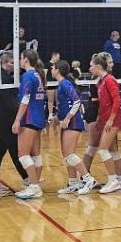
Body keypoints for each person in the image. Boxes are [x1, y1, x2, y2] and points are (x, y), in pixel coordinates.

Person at [51, 60, 98, 194]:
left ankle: (89, 179)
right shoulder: (62, 84)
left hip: (73, 123)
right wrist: (56, 117)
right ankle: (73, 183)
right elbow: (65, 105)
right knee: (66, 156)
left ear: (58, 70)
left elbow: (77, 101)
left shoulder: (65, 84)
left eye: (53, 67)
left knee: (70, 155)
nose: (51, 69)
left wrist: (66, 118)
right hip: (67, 122)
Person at [0, 52, 28, 196]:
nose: (14, 65)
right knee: (14, 148)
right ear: (4, 63)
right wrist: (19, 116)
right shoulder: (1, 78)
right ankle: (26, 178)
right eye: (12, 62)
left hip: (3, 118)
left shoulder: (9, 77)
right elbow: (9, 102)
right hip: (3, 119)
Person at [12, 50, 48, 200]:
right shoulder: (38, 75)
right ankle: (35, 185)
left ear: (26, 60)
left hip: (29, 118)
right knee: (35, 154)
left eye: (21, 58)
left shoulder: (27, 76)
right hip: (39, 117)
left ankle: (34, 186)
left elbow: (25, 100)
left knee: (23, 154)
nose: (20, 61)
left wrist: (16, 120)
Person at [91, 52, 121, 194]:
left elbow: (117, 100)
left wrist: (111, 119)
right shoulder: (100, 81)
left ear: (99, 66)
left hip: (113, 120)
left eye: (92, 66)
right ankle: (118, 178)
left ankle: (113, 180)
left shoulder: (109, 80)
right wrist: (101, 119)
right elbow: (104, 104)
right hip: (106, 119)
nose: (90, 69)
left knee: (102, 149)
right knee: (113, 151)